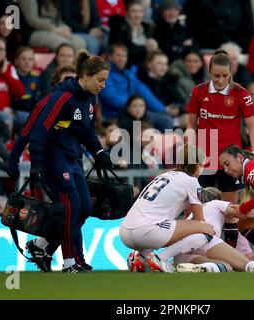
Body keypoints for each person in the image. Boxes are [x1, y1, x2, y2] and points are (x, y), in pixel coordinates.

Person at [23, 51, 113, 273]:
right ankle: (70, 262)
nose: (103, 85)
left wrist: (99, 151)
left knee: (83, 208)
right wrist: (35, 160)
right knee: (72, 207)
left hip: (73, 159)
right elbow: (38, 133)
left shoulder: (88, 99)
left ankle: (41, 244)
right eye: (100, 80)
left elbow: (86, 132)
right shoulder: (56, 101)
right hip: (55, 160)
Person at [120, 144, 216, 272]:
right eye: (203, 165)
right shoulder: (191, 181)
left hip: (125, 231)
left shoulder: (164, 174)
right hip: (147, 231)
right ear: (198, 164)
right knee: (207, 230)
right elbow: (200, 220)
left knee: (168, 225)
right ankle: (161, 259)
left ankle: (139, 258)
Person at [185, 50, 254, 204]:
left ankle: (229, 229)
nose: (220, 80)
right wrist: (191, 149)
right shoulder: (198, 91)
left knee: (229, 208)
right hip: (204, 157)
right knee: (197, 205)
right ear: (209, 72)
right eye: (216, 76)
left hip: (231, 158)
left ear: (231, 73)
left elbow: (252, 127)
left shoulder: (241, 94)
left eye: (225, 76)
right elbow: (191, 125)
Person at [174, 187, 254, 273]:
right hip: (205, 240)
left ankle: (204, 267)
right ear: (219, 199)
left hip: (182, 251)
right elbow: (250, 213)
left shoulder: (192, 214)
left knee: (226, 267)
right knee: (246, 265)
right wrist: (250, 207)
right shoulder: (216, 204)